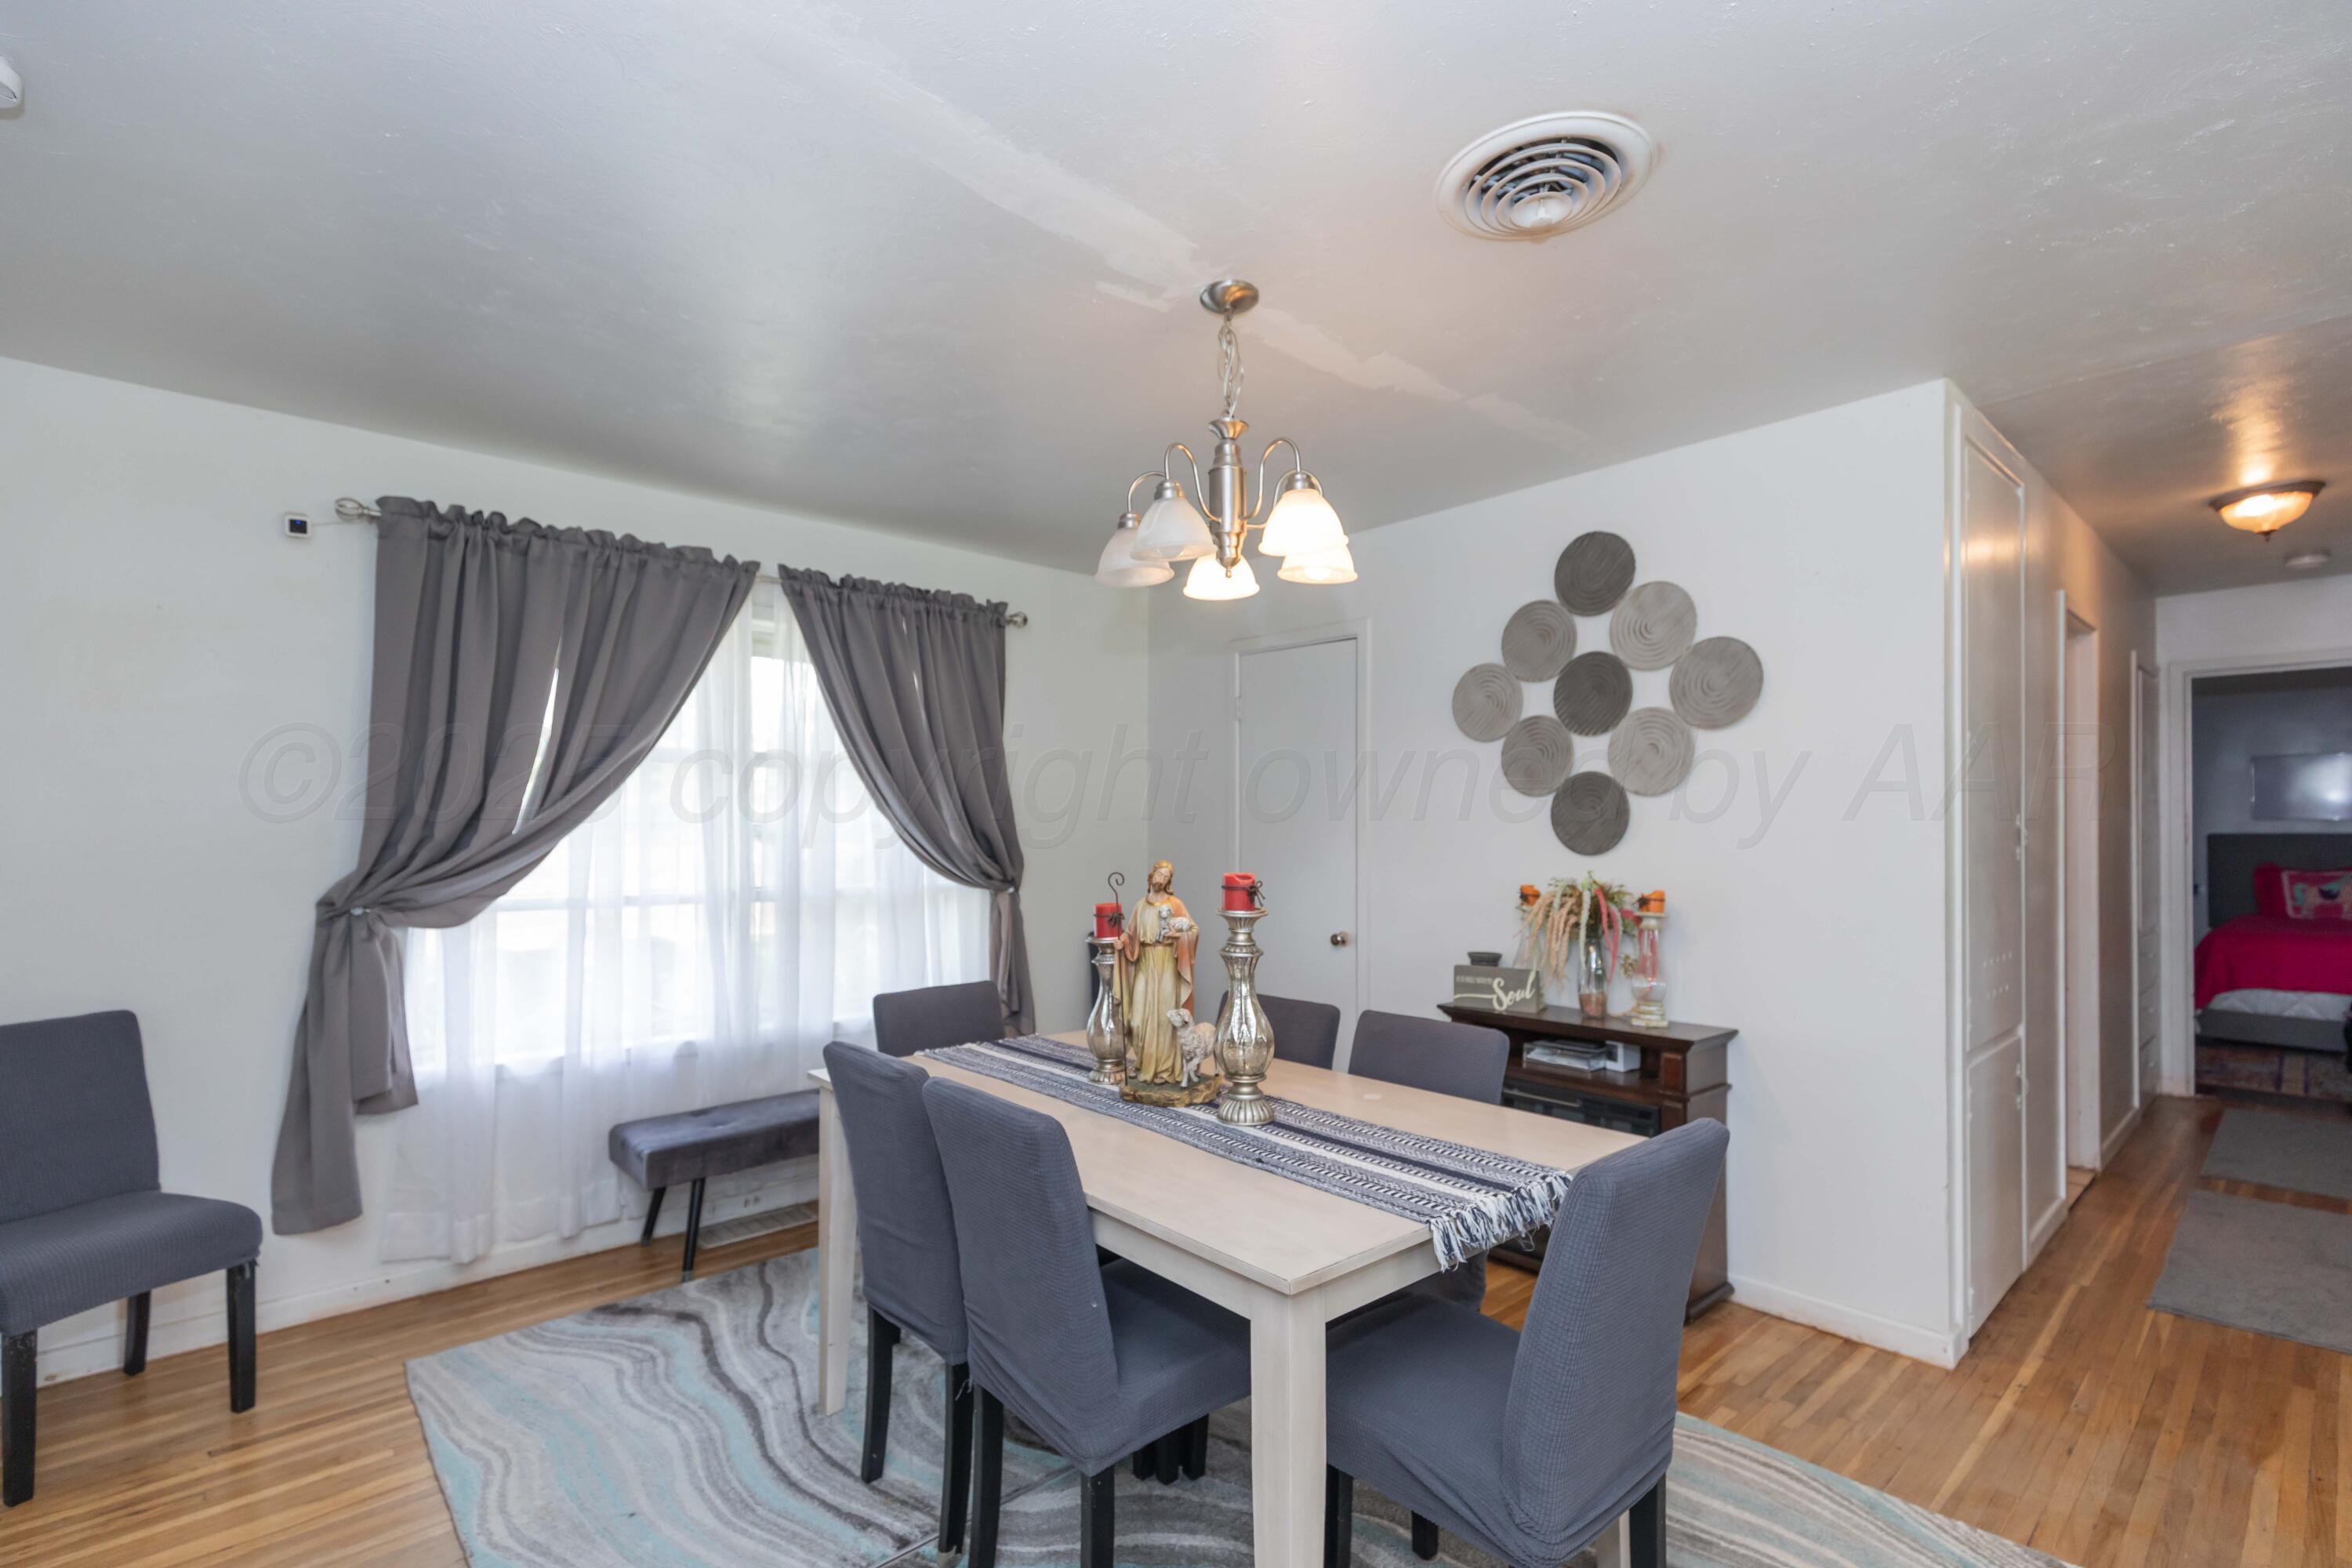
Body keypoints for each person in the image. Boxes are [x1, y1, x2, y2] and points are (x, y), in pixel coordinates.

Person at [1116, 860, 1197, 1083]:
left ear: (1168, 881)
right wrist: (1122, 941)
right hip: (1145, 962)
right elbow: (1131, 933)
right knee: (1137, 1019)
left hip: (1167, 964)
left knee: (1165, 1018)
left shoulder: (1175, 904)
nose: (1160, 879)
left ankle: (1163, 1070)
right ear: (1151, 876)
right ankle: (1144, 1062)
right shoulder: (1140, 905)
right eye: (1158, 874)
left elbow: (1193, 930)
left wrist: (1178, 936)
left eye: (1165, 876)